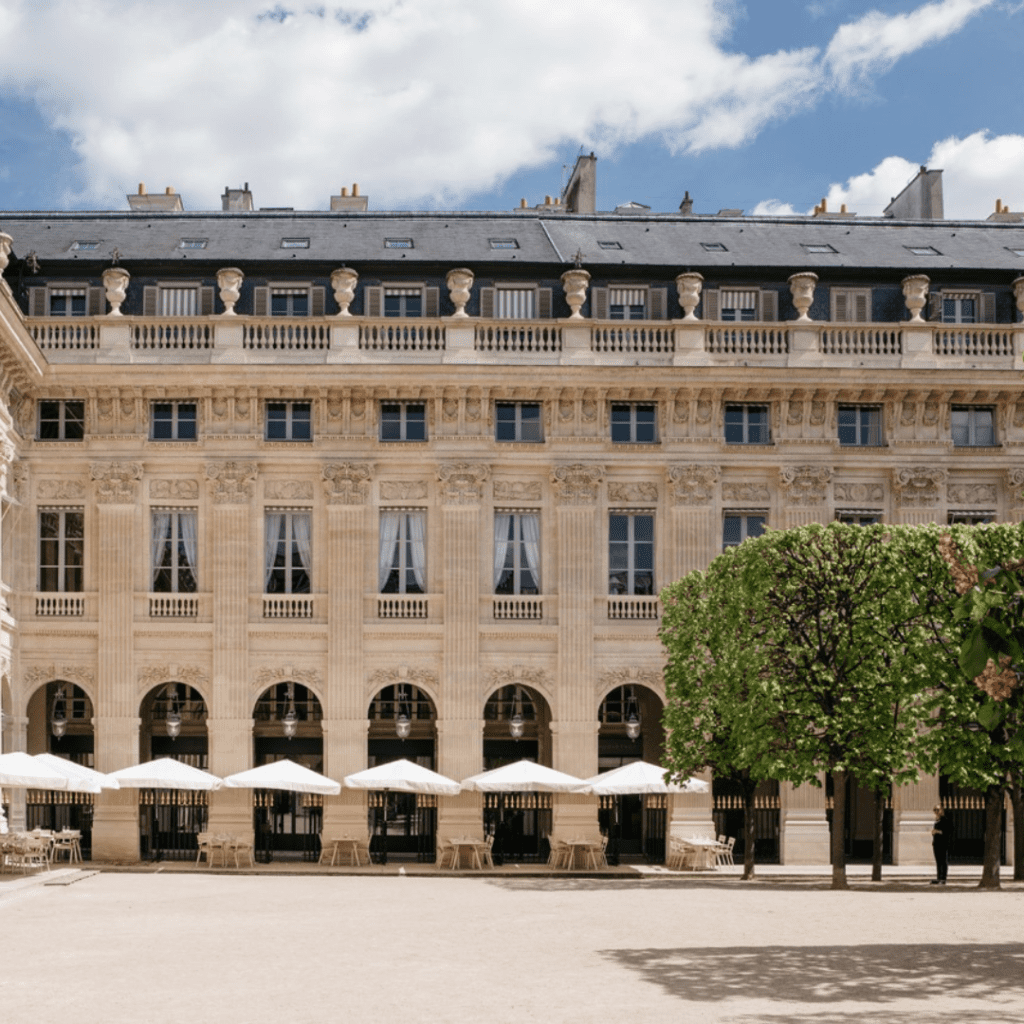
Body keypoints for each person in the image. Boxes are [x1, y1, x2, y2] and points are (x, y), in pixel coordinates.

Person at [930, 804, 953, 884]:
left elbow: (947, 832)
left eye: (938, 810)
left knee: (943, 861)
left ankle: (943, 878)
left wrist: (937, 831)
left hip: (943, 844)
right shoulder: (937, 820)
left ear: (942, 810)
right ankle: (939, 877)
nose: (936, 812)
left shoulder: (945, 820)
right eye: (935, 810)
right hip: (936, 844)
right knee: (938, 861)